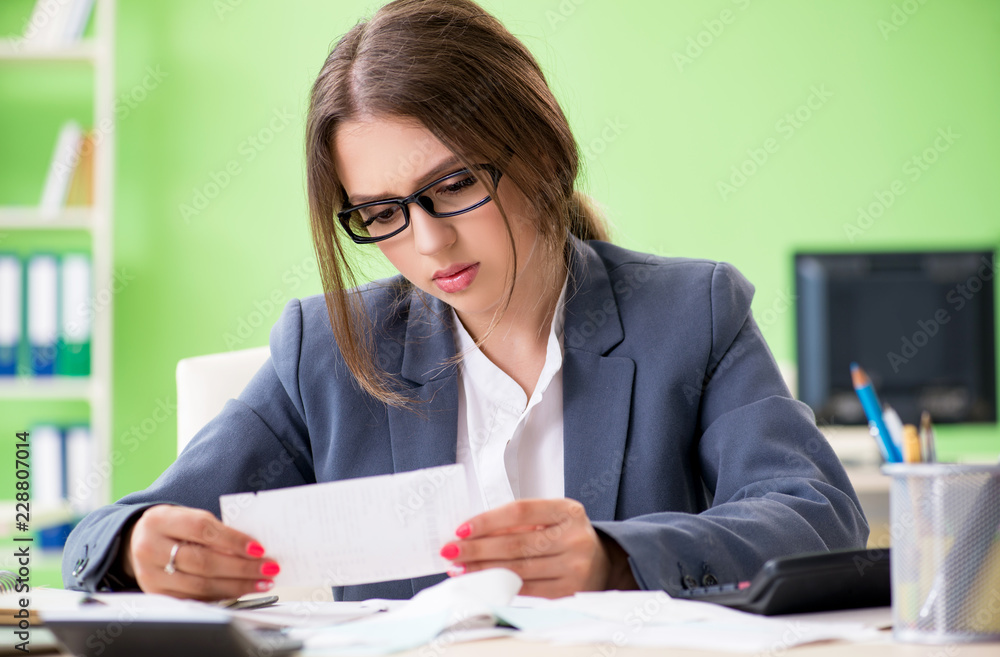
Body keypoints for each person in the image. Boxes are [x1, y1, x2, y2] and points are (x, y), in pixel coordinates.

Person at [62, 0, 868, 602]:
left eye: (452, 185)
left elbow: (820, 518)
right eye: (381, 212)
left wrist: (614, 557)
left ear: (542, 148)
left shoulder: (693, 314)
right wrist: (137, 545)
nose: (427, 243)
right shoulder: (329, 350)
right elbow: (102, 536)